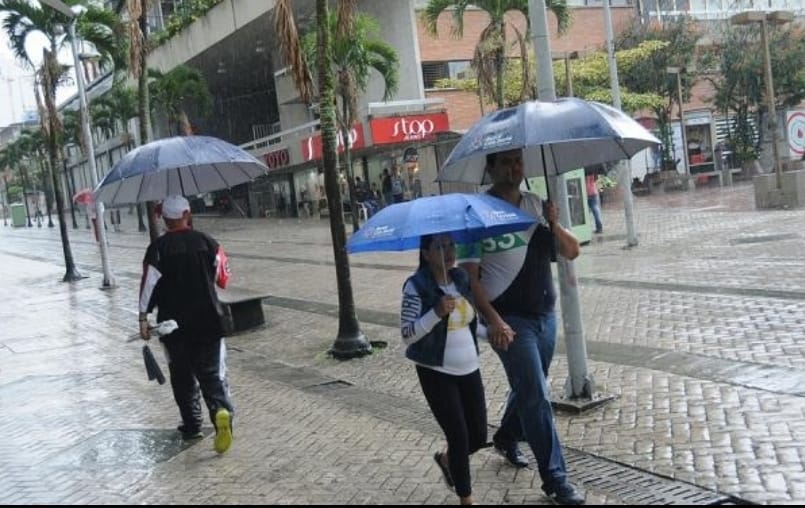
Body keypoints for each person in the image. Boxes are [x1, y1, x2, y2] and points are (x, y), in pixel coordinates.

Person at [457, 149, 584, 505]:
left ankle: (507, 435)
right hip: (509, 322)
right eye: (506, 162)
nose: (514, 167)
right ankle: (556, 480)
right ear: (491, 167)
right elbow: (471, 280)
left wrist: (553, 222)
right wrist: (493, 320)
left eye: (518, 161)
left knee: (530, 389)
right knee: (537, 397)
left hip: (545, 314)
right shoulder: (476, 215)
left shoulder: (535, 206)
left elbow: (572, 252)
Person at [138, 195, 235, 454]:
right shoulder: (207, 242)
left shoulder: (157, 249)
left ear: (165, 219)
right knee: (212, 376)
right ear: (187, 214)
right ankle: (221, 413)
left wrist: (143, 317)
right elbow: (223, 278)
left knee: (182, 378)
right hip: (209, 322)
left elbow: (148, 286)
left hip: (173, 326)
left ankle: (192, 425)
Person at [401, 234, 486, 506]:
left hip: (469, 367)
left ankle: (447, 460)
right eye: (439, 247)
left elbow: (470, 322)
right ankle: (466, 498)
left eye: (450, 246)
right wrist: (435, 312)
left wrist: (495, 331)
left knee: (478, 436)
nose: (448, 252)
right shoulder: (417, 286)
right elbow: (407, 334)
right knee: (459, 436)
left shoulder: (460, 279)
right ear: (426, 254)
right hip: (436, 371)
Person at [585, 168, 603, 234]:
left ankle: (586, 228)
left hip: (586, 192)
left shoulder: (583, 170)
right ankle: (599, 227)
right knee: (595, 209)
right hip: (593, 191)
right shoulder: (593, 169)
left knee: (586, 211)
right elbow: (596, 179)